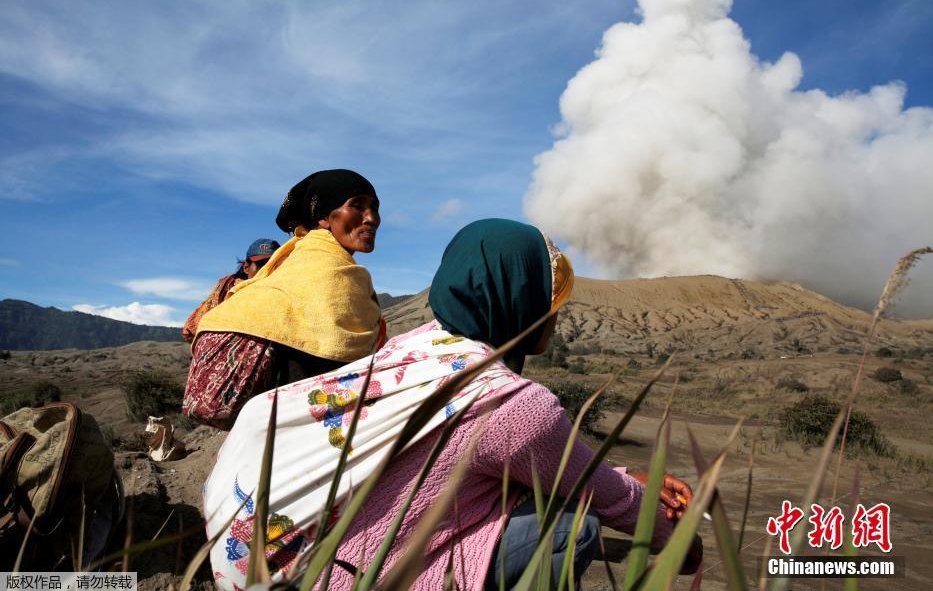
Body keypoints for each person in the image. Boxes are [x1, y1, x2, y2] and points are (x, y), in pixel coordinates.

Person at [203, 218, 700, 591]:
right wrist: (681, 540)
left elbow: (555, 464)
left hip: (257, 567)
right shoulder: (511, 402)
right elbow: (607, 499)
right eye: (549, 301)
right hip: (332, 580)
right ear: (518, 298)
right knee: (572, 528)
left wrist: (623, 473)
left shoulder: (414, 348)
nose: (555, 317)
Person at [183, 169, 385, 430]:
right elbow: (340, 362)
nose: (371, 218)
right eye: (357, 206)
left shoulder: (298, 259)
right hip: (301, 430)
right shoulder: (328, 270)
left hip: (268, 428)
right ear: (324, 217)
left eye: (374, 208)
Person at [181, 238, 280, 344]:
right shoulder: (229, 288)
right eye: (262, 266)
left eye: (275, 266)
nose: (268, 271)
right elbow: (191, 329)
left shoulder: (281, 294)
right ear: (246, 267)